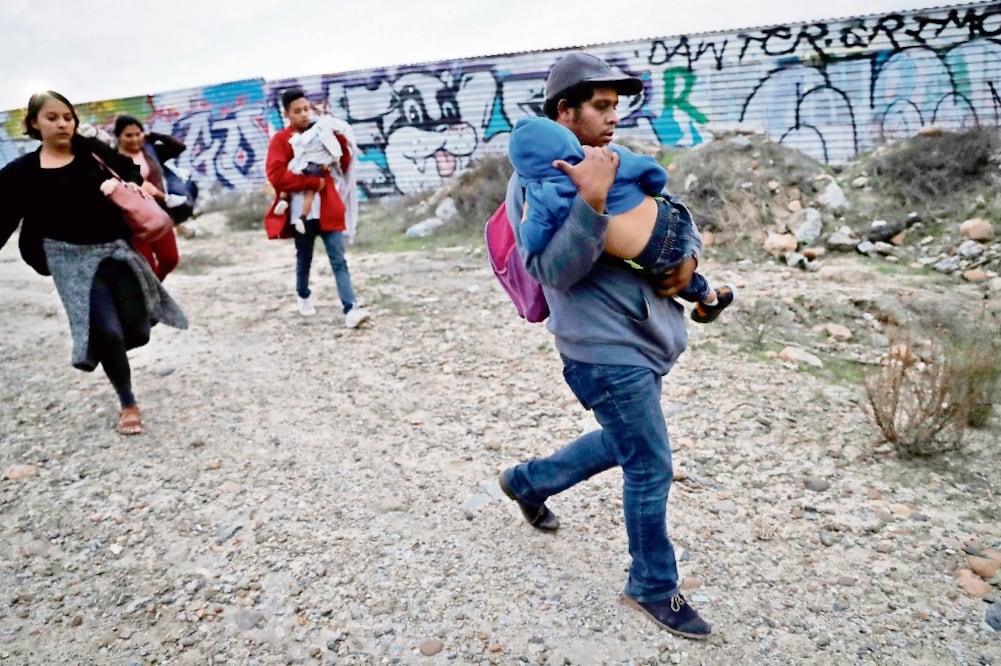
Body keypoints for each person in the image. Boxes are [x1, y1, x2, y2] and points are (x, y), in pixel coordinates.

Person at [496, 52, 713, 639]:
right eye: (599, 105)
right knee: (649, 463)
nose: (612, 116)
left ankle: (528, 481)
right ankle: (652, 585)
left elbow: (661, 219)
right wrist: (588, 203)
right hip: (602, 351)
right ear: (564, 110)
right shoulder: (535, 182)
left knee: (626, 441)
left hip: (643, 339)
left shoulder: (610, 161)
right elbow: (550, 268)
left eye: (615, 105)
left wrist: (687, 258)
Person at [0, 91, 188, 435]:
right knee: (110, 332)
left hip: (117, 250)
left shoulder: (90, 153)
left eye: (67, 117)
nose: (62, 123)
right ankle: (128, 402)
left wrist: (109, 159)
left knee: (138, 332)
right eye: (52, 117)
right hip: (70, 262)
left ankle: (105, 344)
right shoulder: (20, 172)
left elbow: (130, 170)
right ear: (33, 124)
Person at [509, 116, 735, 323]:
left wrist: (528, 213)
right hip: (675, 217)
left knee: (668, 278)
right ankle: (713, 298)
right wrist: (652, 192)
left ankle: (709, 297)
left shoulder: (544, 193)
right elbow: (651, 171)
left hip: (654, 253)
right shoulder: (602, 156)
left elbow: (533, 240)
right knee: (676, 273)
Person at [265, 88, 370, 327]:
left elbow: (342, 164)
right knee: (305, 256)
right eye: (297, 111)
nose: (304, 115)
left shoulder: (321, 131)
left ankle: (350, 308)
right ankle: (303, 294)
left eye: (306, 109)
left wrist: (340, 142)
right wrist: (313, 182)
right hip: (300, 211)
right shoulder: (281, 140)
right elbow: (276, 175)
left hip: (328, 207)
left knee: (338, 258)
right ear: (286, 114)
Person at [113, 115, 183, 280]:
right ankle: (150, 296)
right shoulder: (111, 157)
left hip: (158, 214)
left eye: (138, 134)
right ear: (118, 137)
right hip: (132, 221)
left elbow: (178, 147)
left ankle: (154, 288)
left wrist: (155, 136)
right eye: (128, 135)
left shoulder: (151, 152)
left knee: (170, 259)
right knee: (147, 266)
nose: (134, 139)